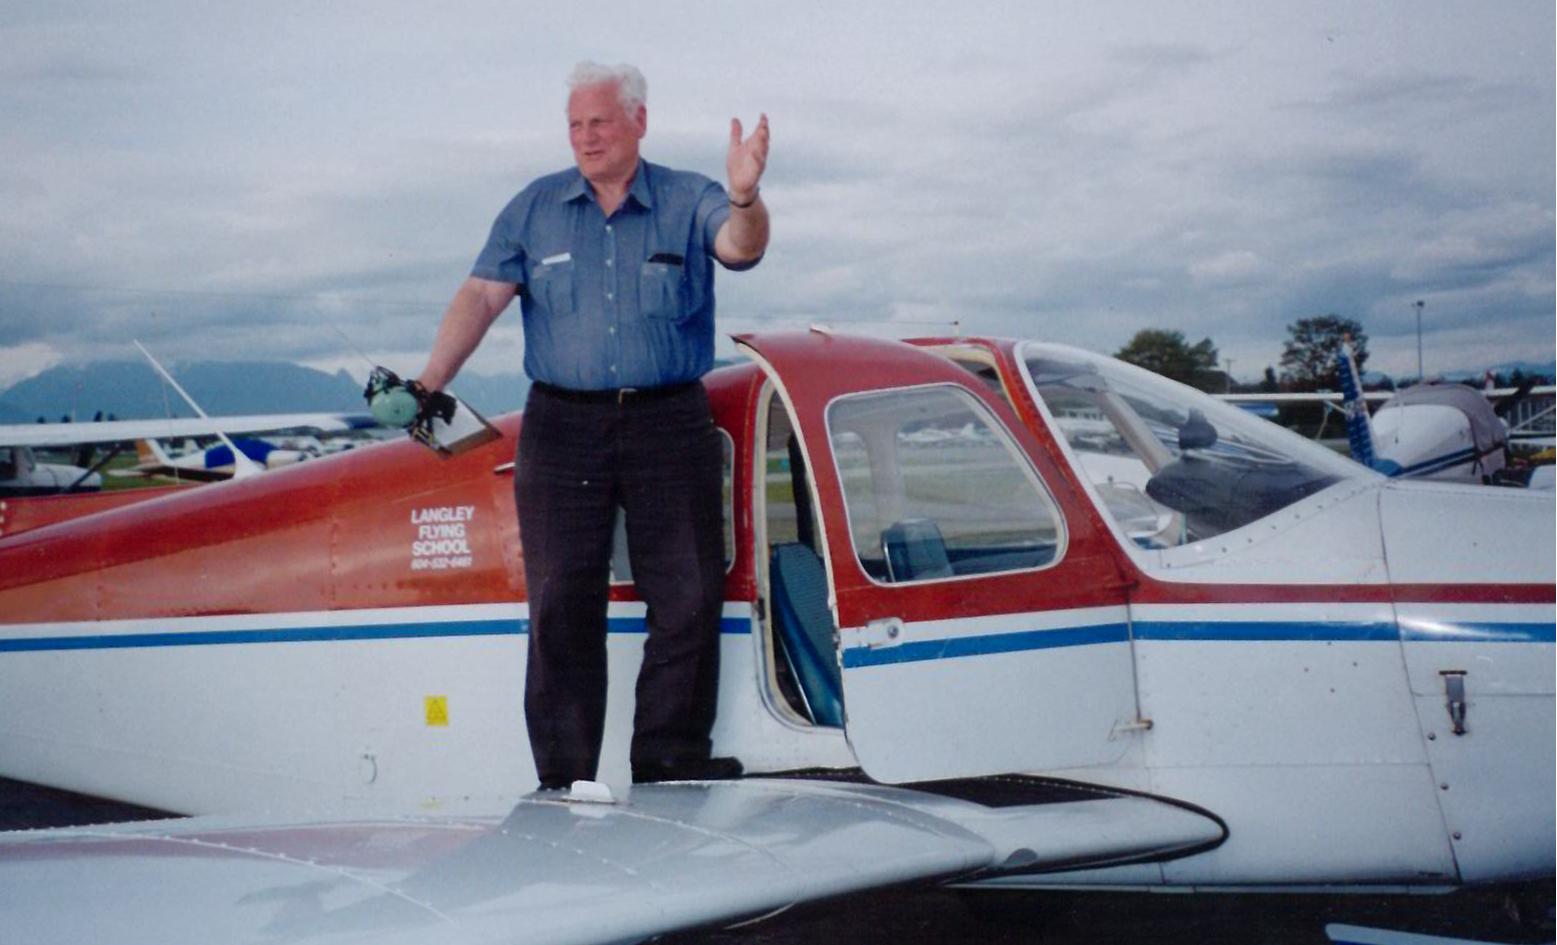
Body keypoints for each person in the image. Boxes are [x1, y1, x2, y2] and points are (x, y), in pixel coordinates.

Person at [415, 61, 770, 790]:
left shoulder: (690, 197)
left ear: (639, 121)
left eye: (599, 121)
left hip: (668, 420)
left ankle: (669, 761)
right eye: (575, 124)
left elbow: (742, 246)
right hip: (562, 426)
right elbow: (480, 297)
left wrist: (745, 195)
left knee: (688, 594)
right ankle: (563, 781)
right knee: (560, 603)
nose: (585, 136)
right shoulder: (533, 208)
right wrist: (429, 383)